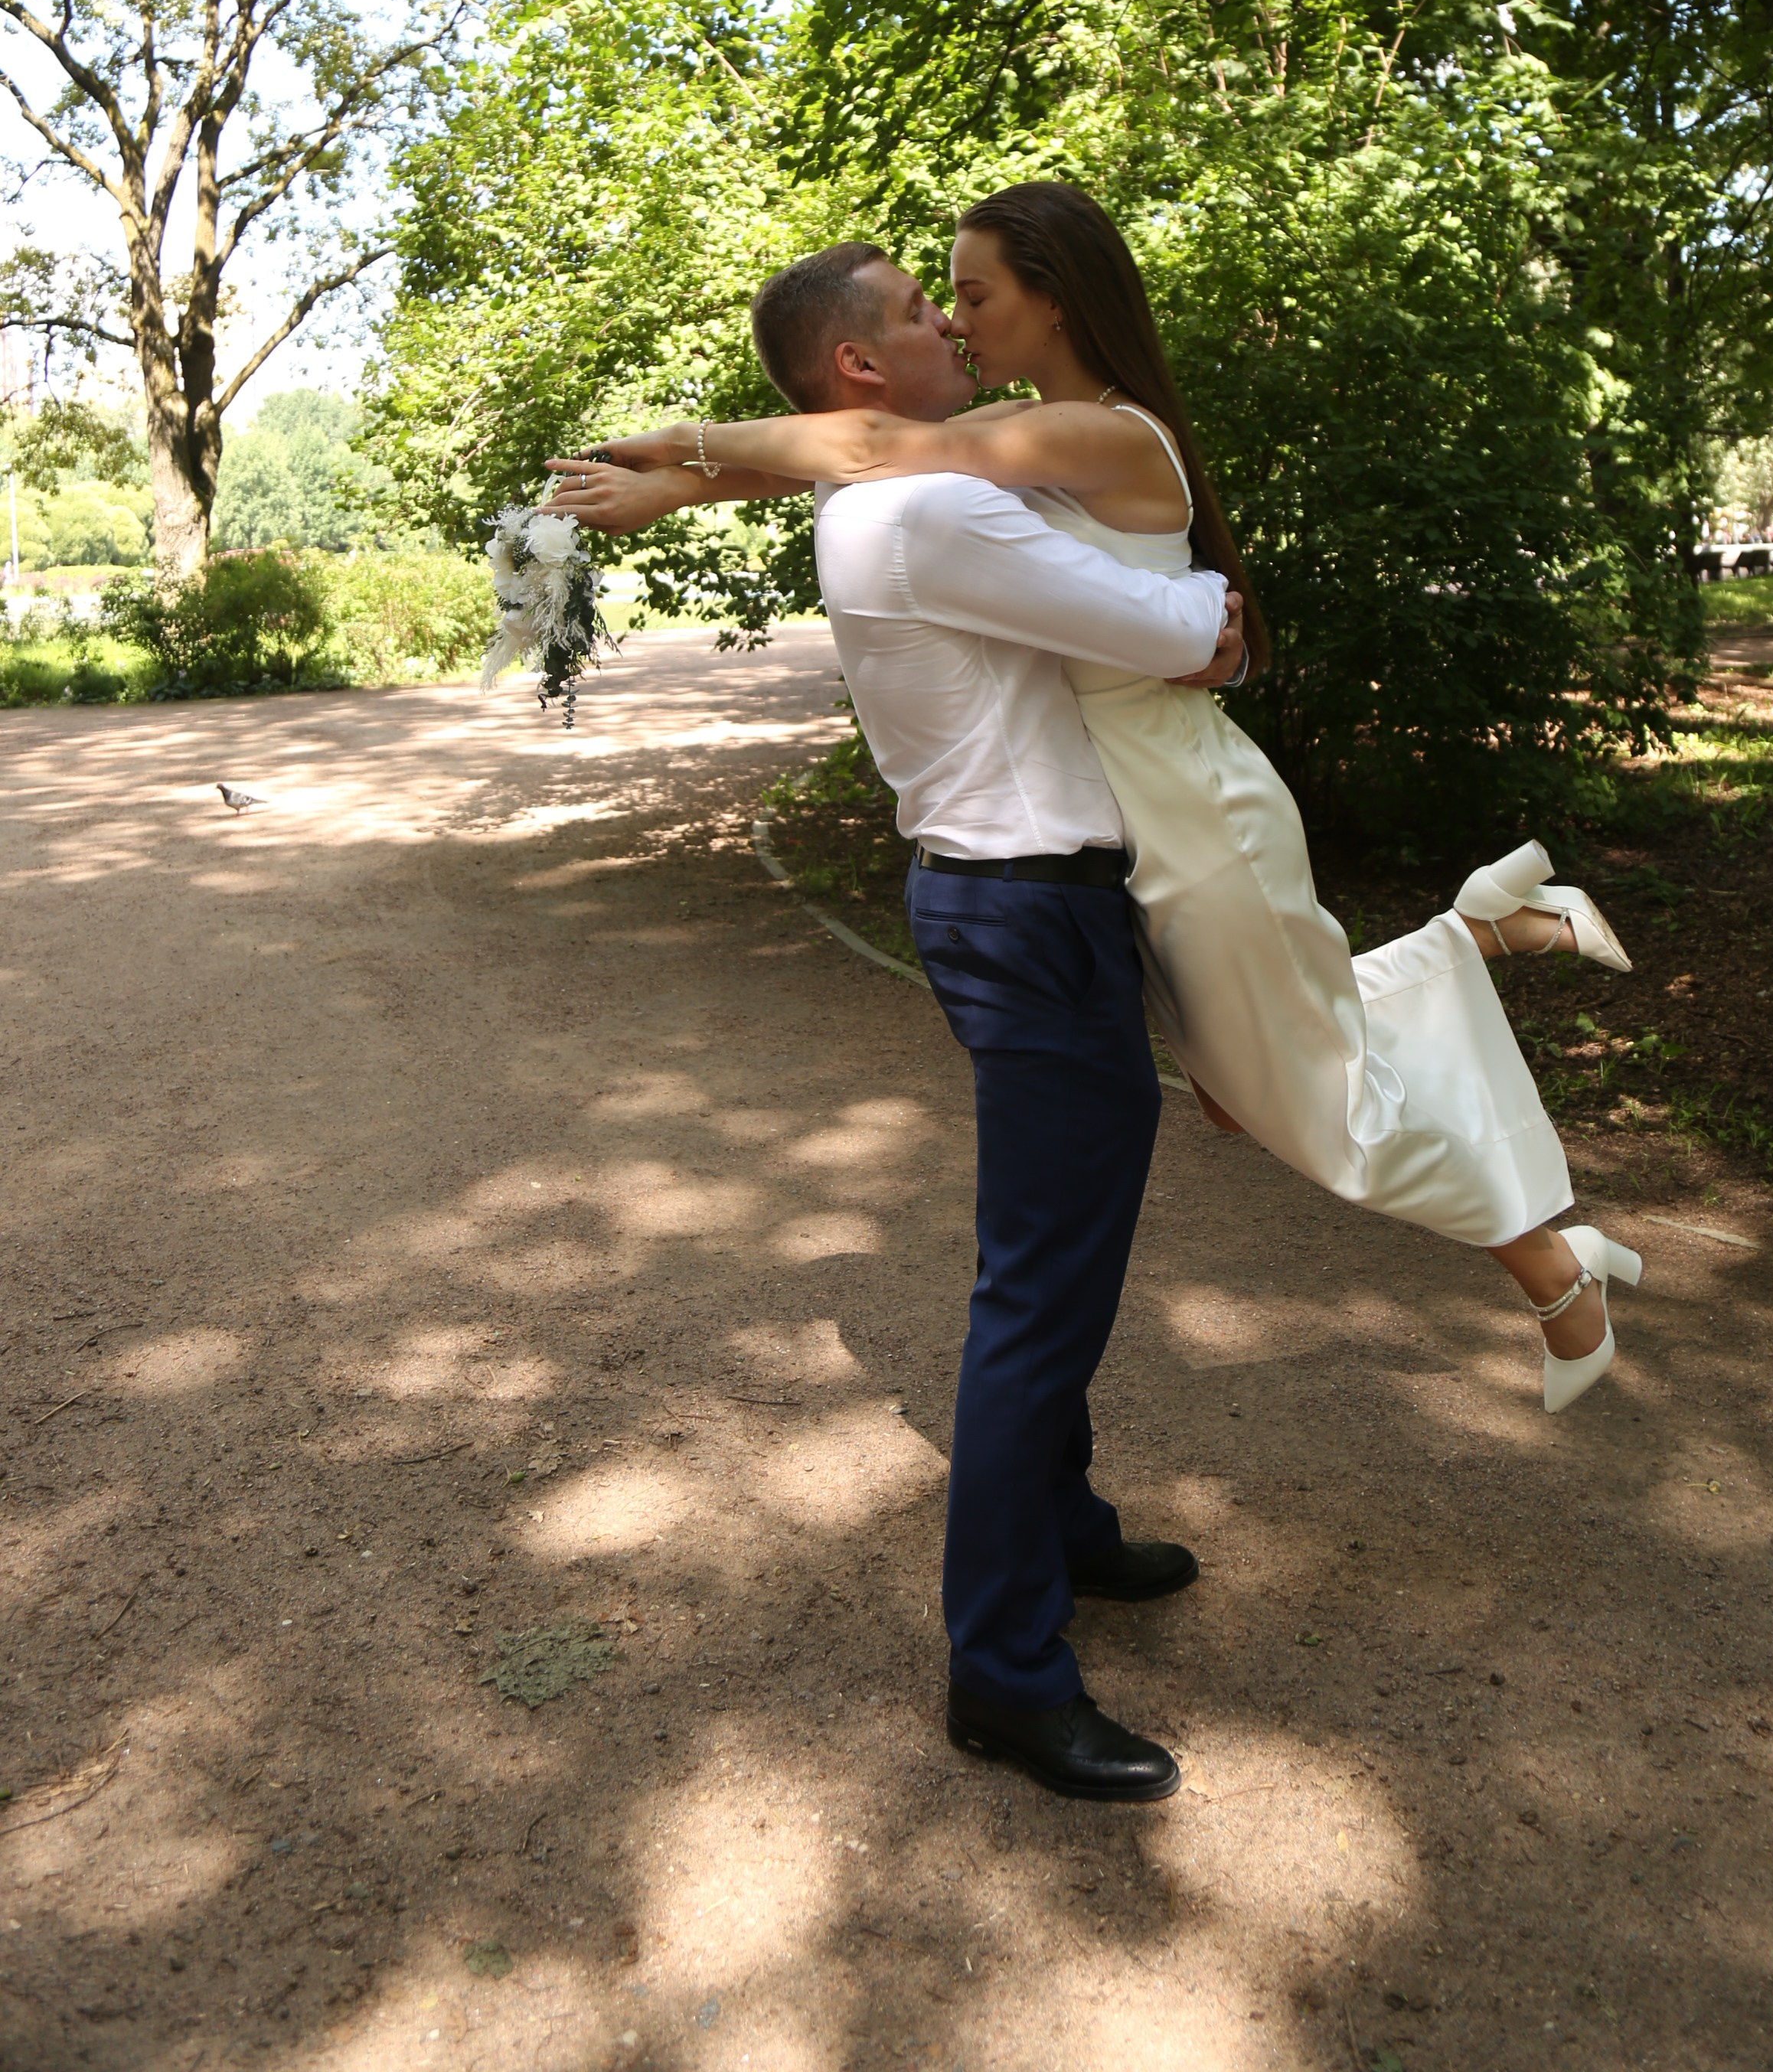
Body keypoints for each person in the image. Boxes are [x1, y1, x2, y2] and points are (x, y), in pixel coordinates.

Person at [543, 194, 1644, 1418]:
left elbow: (863, 449)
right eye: (941, 301)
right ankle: (1493, 935)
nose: (957, 325)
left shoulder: (1102, 436)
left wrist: (678, 443)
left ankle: (1557, 1268)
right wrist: (673, 488)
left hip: (1188, 804)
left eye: (973, 296)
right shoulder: (1027, 428)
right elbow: (848, 454)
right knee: (1259, 1083)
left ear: (1054, 298)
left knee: (1308, 1103)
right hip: (1126, 814)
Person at [557, 242, 1246, 1803]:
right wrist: (1205, 607)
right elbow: (1174, 635)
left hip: (1015, 903)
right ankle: (1003, 1673)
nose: (949, 323)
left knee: (1053, 1259)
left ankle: (1061, 1536)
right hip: (1026, 911)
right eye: (922, 311)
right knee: (1038, 1293)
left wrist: (684, 468)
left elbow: (1062, 573)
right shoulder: (930, 505)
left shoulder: (885, 491)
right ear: (862, 369)